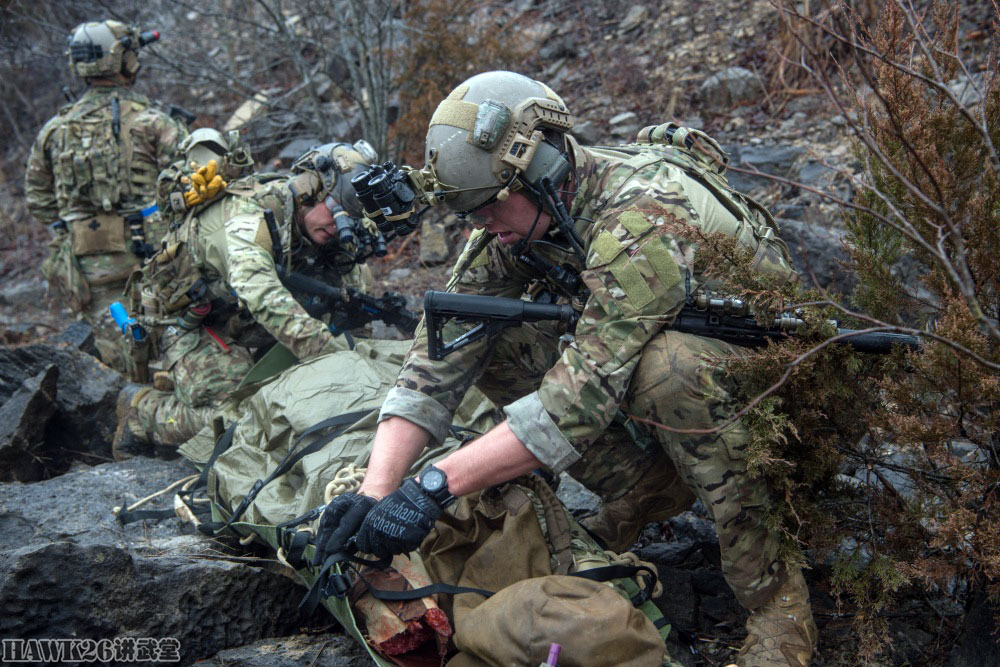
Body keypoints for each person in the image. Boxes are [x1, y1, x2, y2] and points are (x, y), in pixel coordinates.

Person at [313, 71, 817, 667]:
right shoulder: (523, 216)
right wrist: (376, 490)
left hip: (774, 397)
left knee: (671, 369)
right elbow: (439, 352)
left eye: (487, 207)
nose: (481, 225)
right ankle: (648, 488)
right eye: (469, 213)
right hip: (667, 371)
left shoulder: (642, 213)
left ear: (542, 169)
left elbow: (575, 402)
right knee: (492, 333)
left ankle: (778, 603)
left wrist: (433, 486)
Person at [112, 139, 384, 452]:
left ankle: (194, 382)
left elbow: (351, 302)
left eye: (349, 218)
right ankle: (143, 411)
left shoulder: (326, 227)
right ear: (309, 192)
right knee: (242, 418)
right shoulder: (246, 217)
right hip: (189, 323)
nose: (339, 226)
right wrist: (339, 360)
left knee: (293, 400)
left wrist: (366, 364)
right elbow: (262, 294)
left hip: (242, 318)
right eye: (337, 212)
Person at [25, 20, 187, 370]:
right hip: (152, 259)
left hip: (85, 267)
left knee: (113, 358)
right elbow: (189, 184)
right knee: (171, 351)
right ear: (123, 60)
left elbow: (38, 200)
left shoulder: (54, 130)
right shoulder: (153, 121)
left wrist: (78, 224)